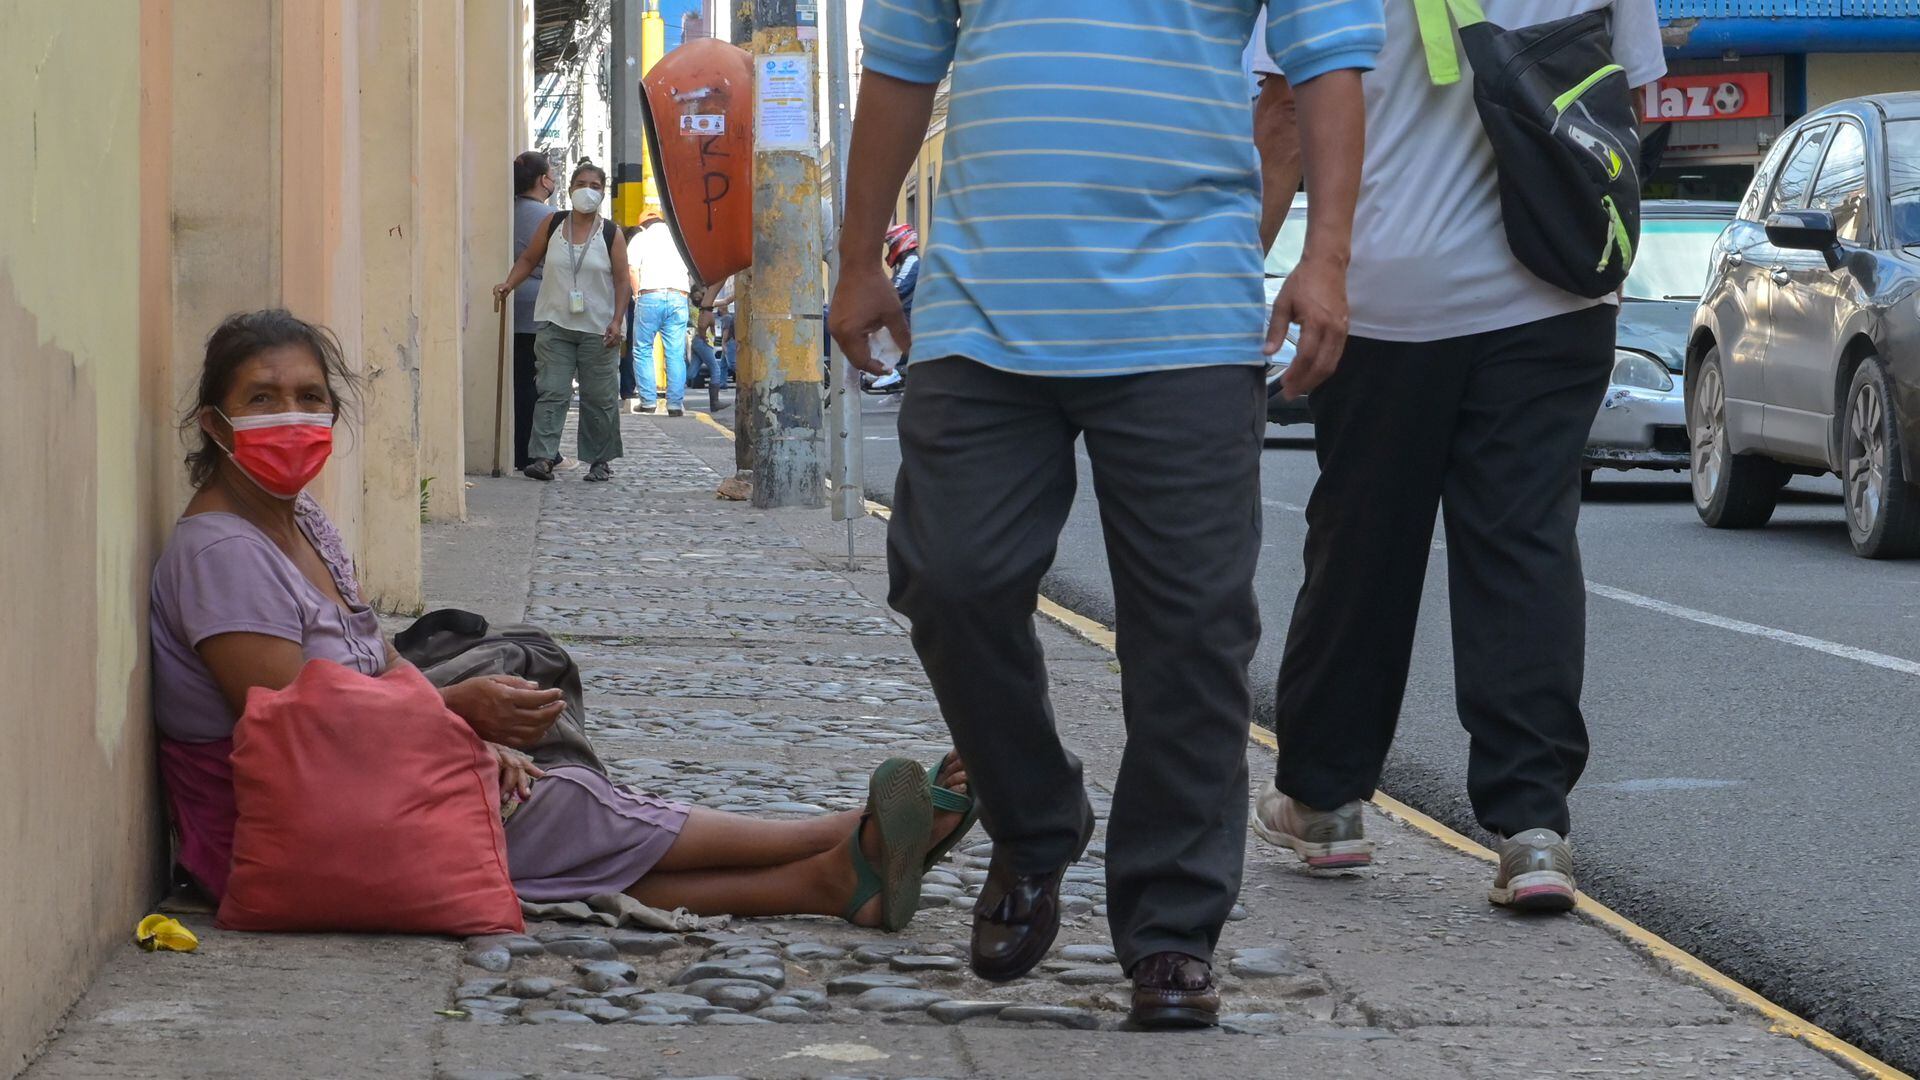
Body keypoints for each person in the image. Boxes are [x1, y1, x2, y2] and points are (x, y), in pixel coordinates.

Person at [828, 0, 1378, 1031]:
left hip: (1186, 311)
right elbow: (901, 64)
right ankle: (1036, 820)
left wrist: (1327, 257)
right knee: (947, 575)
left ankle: (1173, 929)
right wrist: (859, 258)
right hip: (981, 311)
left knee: (1192, 632)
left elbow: (1330, 62)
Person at [151, 309, 977, 925]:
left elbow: (377, 662)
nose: (291, 416)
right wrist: (450, 716)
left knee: (548, 822)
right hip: (289, 818)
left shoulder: (299, 519)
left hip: (360, 777)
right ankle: (855, 830)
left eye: (308, 397)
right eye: (263, 398)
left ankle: (835, 882)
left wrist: (463, 734)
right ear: (214, 425)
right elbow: (294, 725)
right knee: (567, 810)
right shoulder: (221, 553)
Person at [1253, 0, 1665, 912]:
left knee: (1364, 544)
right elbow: (1629, 102)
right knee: (1524, 544)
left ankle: (1323, 801)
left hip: (1387, 296)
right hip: (1558, 290)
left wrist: (1246, 265)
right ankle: (1532, 831)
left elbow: (1284, 114)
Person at [494, 163, 631, 483]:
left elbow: (623, 281)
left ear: (602, 191)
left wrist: (617, 320)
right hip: (556, 322)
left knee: (600, 396)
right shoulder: (553, 223)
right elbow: (528, 259)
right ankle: (543, 457)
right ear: (569, 189)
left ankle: (600, 459)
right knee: (552, 390)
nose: (587, 189)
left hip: (598, 328)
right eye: (581, 183)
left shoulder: (611, 233)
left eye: (594, 185)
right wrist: (508, 284)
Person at [509, 151, 558, 473]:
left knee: (519, 381)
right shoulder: (550, 216)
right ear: (543, 180)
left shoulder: (505, 211)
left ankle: (517, 449)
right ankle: (536, 451)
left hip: (511, 297)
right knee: (542, 385)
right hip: (542, 303)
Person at [627, 211, 694, 417]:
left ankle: (648, 401)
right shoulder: (679, 237)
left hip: (650, 295)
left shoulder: (640, 238)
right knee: (675, 353)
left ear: (642, 225)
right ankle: (674, 404)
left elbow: (632, 269)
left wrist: (637, 296)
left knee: (643, 349)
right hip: (678, 296)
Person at [863, 225, 920, 393]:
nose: (890, 249)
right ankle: (898, 390)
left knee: (877, 332)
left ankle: (890, 371)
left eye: (891, 245)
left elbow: (897, 288)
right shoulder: (907, 263)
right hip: (907, 314)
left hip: (909, 316)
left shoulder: (912, 261)